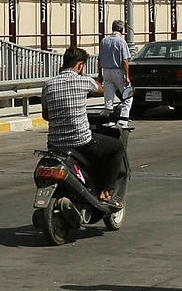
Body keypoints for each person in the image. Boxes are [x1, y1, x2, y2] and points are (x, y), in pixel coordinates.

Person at [42, 46, 125, 206]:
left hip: (55, 144)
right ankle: (106, 191)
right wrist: (83, 75)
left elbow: (46, 116)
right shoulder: (83, 81)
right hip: (81, 142)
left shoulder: (48, 85)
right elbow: (101, 89)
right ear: (80, 65)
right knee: (116, 147)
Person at [99, 20, 133, 124]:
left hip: (106, 71)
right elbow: (124, 60)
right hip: (118, 71)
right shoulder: (121, 42)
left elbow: (99, 59)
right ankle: (123, 121)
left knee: (108, 99)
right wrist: (127, 76)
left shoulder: (104, 41)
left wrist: (99, 74)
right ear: (122, 30)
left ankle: (109, 121)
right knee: (128, 96)